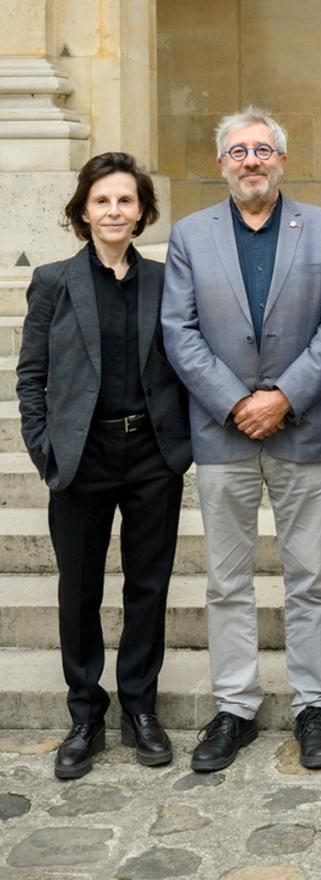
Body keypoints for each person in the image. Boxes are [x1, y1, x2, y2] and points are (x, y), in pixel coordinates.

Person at [162, 106, 321, 772]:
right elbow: (179, 332)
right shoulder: (189, 235)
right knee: (226, 582)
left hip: (301, 431)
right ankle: (235, 707)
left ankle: (311, 706)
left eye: (263, 150)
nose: (252, 161)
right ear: (222, 164)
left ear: (282, 159)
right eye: (239, 152)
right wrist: (236, 402)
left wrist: (283, 398)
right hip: (223, 436)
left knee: (309, 578)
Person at [16, 152, 192, 778]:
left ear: (142, 211)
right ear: (83, 211)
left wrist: (179, 450)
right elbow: (31, 374)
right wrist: (46, 450)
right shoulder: (54, 281)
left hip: (150, 455)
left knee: (148, 587)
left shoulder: (166, 281)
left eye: (125, 200)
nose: (114, 210)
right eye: (102, 200)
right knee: (79, 588)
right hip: (81, 456)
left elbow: (184, 365)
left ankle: (140, 708)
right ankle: (85, 714)